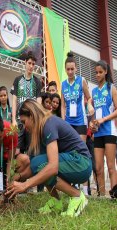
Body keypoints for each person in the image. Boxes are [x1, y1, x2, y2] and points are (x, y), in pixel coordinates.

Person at [6, 99, 92, 217]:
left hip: (82, 163)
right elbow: (35, 166)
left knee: (42, 165)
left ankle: (77, 196)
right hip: (72, 162)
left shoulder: (48, 124)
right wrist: (18, 177)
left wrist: (25, 185)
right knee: (38, 163)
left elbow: (52, 167)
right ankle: (56, 201)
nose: (25, 127)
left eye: (24, 122)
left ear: (32, 115)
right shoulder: (41, 128)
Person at [61, 52, 94, 195]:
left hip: (81, 123)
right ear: (65, 69)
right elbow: (62, 105)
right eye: (67, 69)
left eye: (72, 69)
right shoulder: (63, 84)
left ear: (76, 68)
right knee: (69, 154)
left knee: (80, 155)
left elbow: (89, 98)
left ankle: (85, 190)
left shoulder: (82, 81)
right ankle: (72, 189)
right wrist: (63, 121)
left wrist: (90, 106)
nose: (70, 72)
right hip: (68, 124)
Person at [90, 60, 117, 197]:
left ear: (106, 72)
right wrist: (92, 124)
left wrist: (104, 119)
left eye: (100, 72)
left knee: (111, 167)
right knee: (99, 168)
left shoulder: (111, 88)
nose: (98, 74)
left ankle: (114, 195)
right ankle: (101, 196)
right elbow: (93, 112)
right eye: (96, 72)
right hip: (98, 132)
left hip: (110, 131)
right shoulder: (94, 91)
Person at [10, 51, 42, 156]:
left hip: (32, 121)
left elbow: (39, 102)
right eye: (29, 63)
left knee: (31, 151)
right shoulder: (17, 80)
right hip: (19, 121)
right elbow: (14, 100)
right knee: (17, 151)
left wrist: (37, 119)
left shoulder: (37, 82)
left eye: (33, 64)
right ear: (25, 62)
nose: (31, 66)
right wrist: (14, 119)